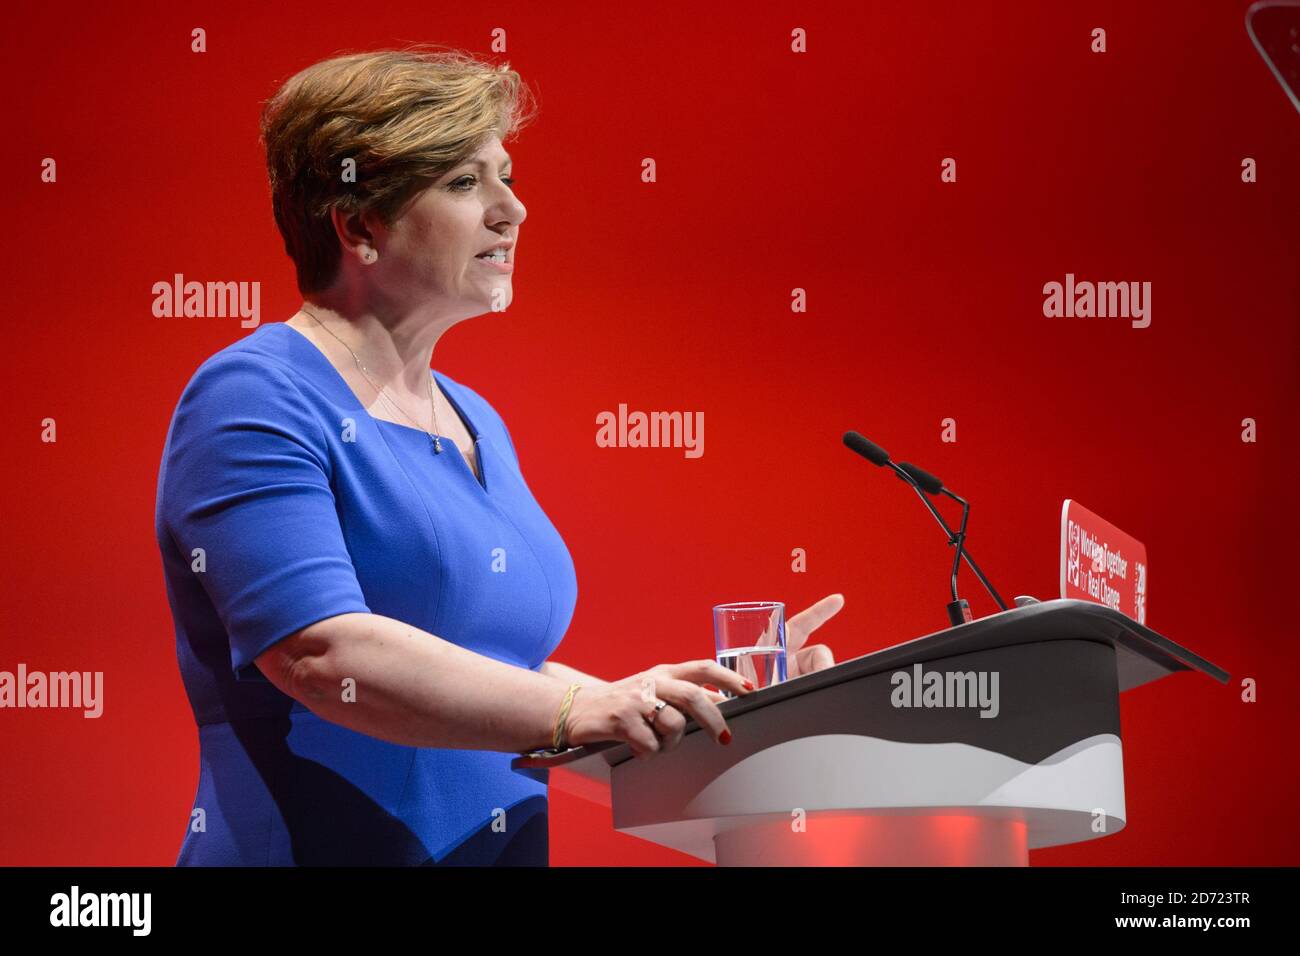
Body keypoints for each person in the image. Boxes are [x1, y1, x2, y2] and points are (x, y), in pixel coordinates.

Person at [154, 45, 843, 866]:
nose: (513, 210)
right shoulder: (255, 394)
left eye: (507, 177)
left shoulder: (474, 419)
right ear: (358, 224)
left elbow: (496, 667)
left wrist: (658, 701)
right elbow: (320, 651)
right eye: (465, 183)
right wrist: (572, 712)